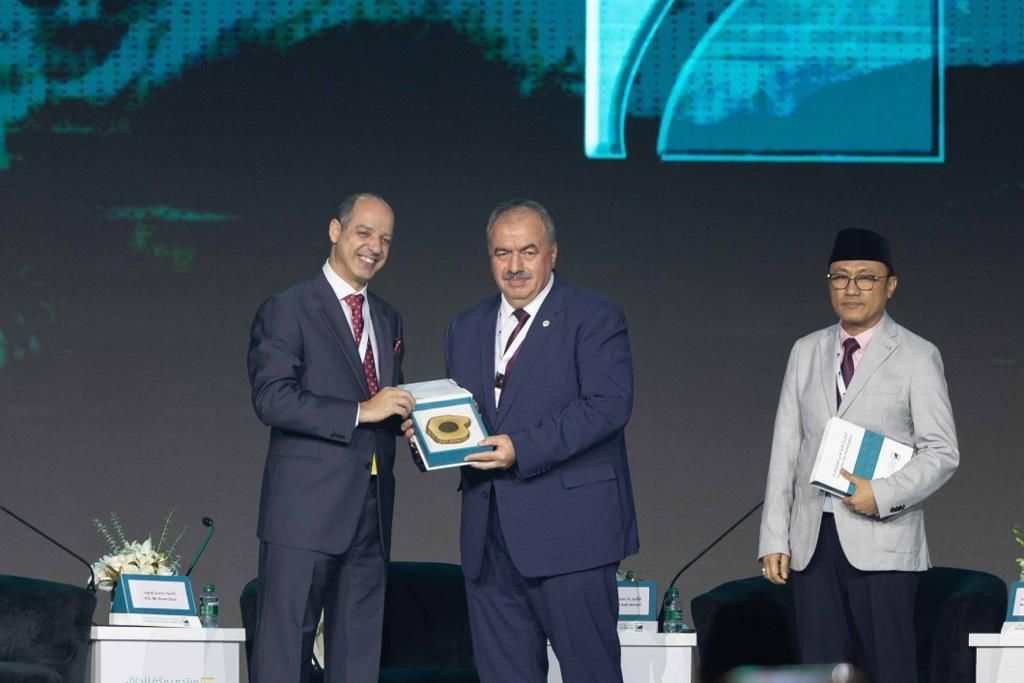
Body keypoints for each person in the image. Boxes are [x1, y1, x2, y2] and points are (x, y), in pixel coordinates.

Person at [440, 199, 639, 682]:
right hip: (489, 542)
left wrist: (520, 448)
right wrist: (426, 436)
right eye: (502, 253)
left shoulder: (594, 316)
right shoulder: (465, 327)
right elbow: (463, 419)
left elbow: (607, 406)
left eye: (528, 252)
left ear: (552, 254)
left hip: (572, 537)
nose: (515, 266)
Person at [758, 228, 959, 683]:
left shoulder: (916, 355)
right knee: (820, 670)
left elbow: (942, 452)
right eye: (840, 277)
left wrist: (881, 494)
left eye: (866, 278)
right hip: (812, 541)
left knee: (889, 669)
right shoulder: (805, 351)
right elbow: (786, 448)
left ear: (890, 285)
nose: (851, 289)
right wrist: (774, 536)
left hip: (882, 541)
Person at [247, 193, 415, 683]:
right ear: (335, 231)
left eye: (386, 239)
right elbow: (272, 398)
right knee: (283, 659)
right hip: (303, 513)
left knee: (358, 659)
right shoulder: (288, 308)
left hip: (372, 513)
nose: (375, 247)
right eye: (364, 232)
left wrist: (410, 425)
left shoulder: (387, 318)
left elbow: (382, 404)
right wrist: (362, 411)